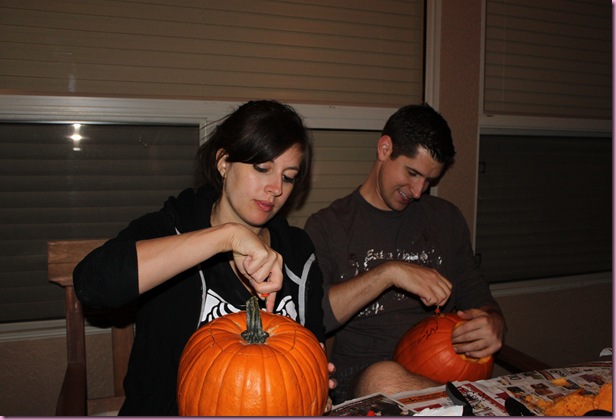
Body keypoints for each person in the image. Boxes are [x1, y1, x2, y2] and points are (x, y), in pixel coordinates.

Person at [73, 100, 332, 415]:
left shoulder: (298, 252)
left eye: (288, 176)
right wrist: (227, 237)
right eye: (262, 168)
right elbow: (93, 283)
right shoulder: (172, 227)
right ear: (224, 162)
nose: (275, 188)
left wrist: (313, 391)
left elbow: (311, 350)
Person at [304, 103, 506, 404]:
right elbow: (315, 315)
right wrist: (389, 273)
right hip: (363, 377)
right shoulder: (328, 225)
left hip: (442, 373)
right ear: (385, 148)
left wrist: (493, 324)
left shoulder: (446, 220)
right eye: (412, 173)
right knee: (384, 376)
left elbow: (479, 298)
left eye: (429, 181)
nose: (418, 191)